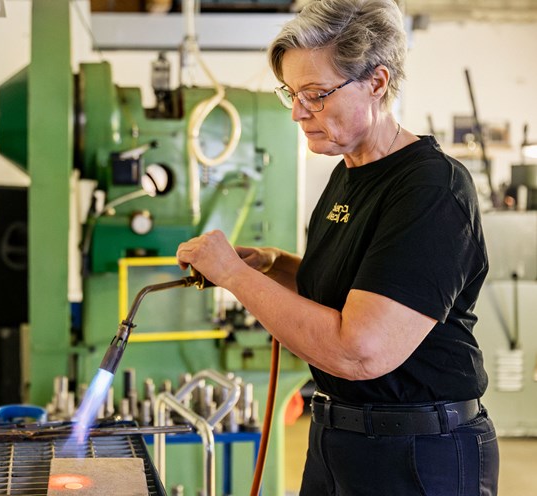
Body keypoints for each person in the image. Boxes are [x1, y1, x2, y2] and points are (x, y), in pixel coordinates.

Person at [175, 0, 499, 494]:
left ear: (377, 81)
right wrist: (270, 267)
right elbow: (354, 288)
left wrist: (235, 278)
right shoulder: (347, 174)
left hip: (417, 450)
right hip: (338, 439)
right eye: (292, 94)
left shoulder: (431, 188)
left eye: (317, 94)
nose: (299, 113)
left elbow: (361, 351)